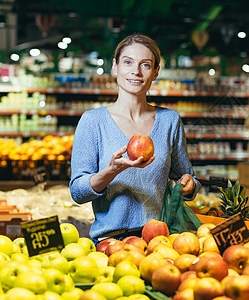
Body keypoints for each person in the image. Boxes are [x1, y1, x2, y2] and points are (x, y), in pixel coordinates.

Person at [69, 33, 201, 245]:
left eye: (145, 65)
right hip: (110, 243)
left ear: (156, 72)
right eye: (128, 62)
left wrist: (189, 185)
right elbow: (77, 192)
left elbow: (187, 178)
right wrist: (112, 170)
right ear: (115, 67)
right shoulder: (93, 121)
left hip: (158, 242)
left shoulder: (170, 121)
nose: (136, 71)